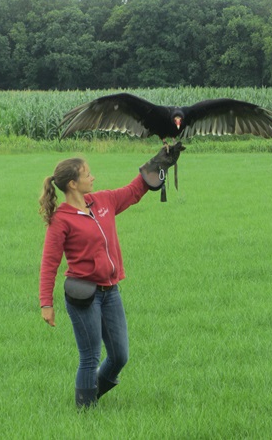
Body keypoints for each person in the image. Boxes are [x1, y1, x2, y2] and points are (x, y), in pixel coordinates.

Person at [38, 143, 183, 410]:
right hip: (84, 296)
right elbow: (49, 263)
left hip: (111, 292)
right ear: (72, 184)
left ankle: (91, 398)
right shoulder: (62, 220)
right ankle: (85, 410)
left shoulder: (102, 200)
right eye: (87, 174)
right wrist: (46, 303)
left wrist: (156, 164)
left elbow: (132, 191)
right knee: (90, 357)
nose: (93, 177)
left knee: (119, 356)